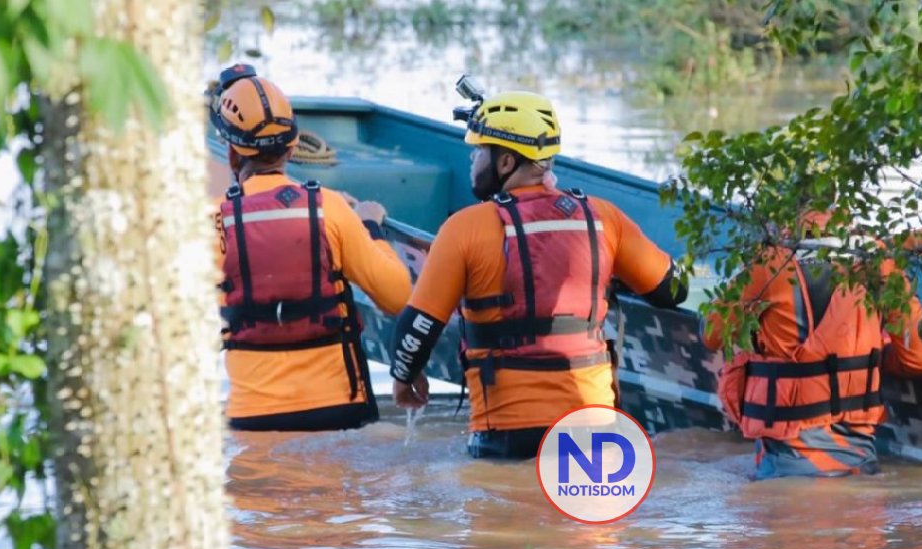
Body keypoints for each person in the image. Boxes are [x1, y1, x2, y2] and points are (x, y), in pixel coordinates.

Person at [387, 90, 687, 459]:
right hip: (595, 427)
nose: (472, 160)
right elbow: (673, 289)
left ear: (506, 162)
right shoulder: (603, 219)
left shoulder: (463, 229)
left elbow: (417, 327)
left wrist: (403, 379)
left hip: (506, 434)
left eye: (479, 151)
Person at [211, 64, 412, 431]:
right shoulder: (330, 208)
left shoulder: (212, 223)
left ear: (231, 154)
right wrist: (369, 226)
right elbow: (398, 297)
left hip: (252, 418)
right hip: (339, 411)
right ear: (292, 147)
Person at [703, 211, 922, 479]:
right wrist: (871, 360)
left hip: (789, 466)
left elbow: (711, 335)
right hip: (861, 461)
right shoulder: (879, 260)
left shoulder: (771, 263)